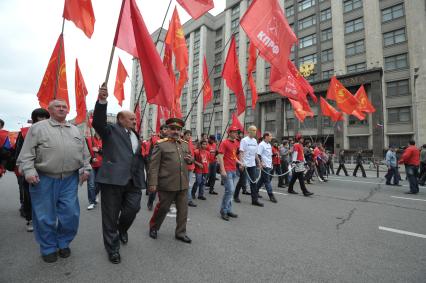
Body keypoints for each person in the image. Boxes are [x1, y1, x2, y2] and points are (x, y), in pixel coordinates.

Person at [17, 99, 91, 263]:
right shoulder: (37, 128)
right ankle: (48, 247)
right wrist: (29, 171)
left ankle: (63, 242)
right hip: (43, 179)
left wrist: (86, 169)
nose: (62, 109)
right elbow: (26, 155)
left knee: (71, 215)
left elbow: (85, 154)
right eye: (57, 106)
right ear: (49, 110)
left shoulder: (75, 130)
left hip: (70, 179)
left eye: (64, 106)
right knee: (45, 217)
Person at [93, 86, 146, 264]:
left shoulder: (135, 135)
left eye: (135, 118)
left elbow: (136, 157)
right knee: (110, 215)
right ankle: (113, 249)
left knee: (133, 209)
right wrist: (102, 101)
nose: (134, 120)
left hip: (133, 182)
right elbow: (98, 122)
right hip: (113, 180)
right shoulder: (110, 131)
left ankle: (122, 229)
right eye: (131, 118)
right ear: (120, 119)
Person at [148, 118, 194, 243]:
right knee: (163, 208)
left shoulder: (184, 144)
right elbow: (153, 166)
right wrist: (152, 183)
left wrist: (190, 160)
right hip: (167, 183)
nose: (176, 131)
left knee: (183, 210)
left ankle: (180, 233)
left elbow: (189, 160)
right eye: (173, 129)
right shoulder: (160, 144)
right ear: (167, 130)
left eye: (178, 129)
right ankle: (154, 227)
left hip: (182, 183)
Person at [14, 108, 50, 232]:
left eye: (46, 117)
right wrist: (23, 169)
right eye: (41, 118)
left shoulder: (51, 131)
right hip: (29, 169)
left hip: (46, 170)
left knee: (46, 197)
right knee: (29, 196)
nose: (44, 120)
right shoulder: (24, 132)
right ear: (34, 119)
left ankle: (43, 219)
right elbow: (19, 153)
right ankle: (30, 218)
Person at [217, 126, 243, 220]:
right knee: (230, 190)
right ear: (230, 133)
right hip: (227, 170)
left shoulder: (236, 143)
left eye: (237, 132)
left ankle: (228, 209)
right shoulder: (224, 143)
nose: (237, 133)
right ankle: (223, 210)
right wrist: (222, 169)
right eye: (235, 132)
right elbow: (220, 156)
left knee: (230, 191)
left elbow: (233, 156)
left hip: (233, 170)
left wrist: (240, 162)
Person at [234, 126, 263, 206]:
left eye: (255, 130)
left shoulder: (254, 141)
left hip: (252, 164)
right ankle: (236, 196)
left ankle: (254, 200)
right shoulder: (244, 140)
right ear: (249, 131)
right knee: (242, 181)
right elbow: (241, 152)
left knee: (253, 182)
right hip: (245, 164)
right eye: (253, 130)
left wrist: (259, 163)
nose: (255, 132)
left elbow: (256, 154)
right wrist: (241, 163)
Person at [146, 124, 168, 211]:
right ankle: (150, 203)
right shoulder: (155, 139)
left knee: (165, 188)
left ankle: (164, 205)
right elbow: (153, 149)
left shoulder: (169, 140)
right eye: (165, 129)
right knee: (154, 188)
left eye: (168, 129)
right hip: (155, 165)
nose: (167, 131)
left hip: (165, 166)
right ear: (161, 130)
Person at [257, 133, 278, 203]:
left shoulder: (269, 145)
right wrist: (261, 163)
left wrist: (271, 163)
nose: (271, 137)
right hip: (264, 165)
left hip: (269, 165)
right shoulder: (261, 144)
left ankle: (255, 191)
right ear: (266, 137)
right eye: (270, 136)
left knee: (262, 179)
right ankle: (271, 195)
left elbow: (269, 156)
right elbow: (258, 155)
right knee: (267, 180)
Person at [86, 132, 103, 210]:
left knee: (99, 183)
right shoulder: (89, 139)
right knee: (91, 184)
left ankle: (95, 194)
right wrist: (91, 159)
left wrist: (99, 150)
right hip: (91, 165)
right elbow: (85, 152)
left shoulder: (105, 139)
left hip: (102, 165)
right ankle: (92, 202)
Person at [183, 130, 197, 207]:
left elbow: (193, 154)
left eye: (190, 135)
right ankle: (188, 199)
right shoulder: (181, 143)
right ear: (184, 135)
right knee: (185, 184)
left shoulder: (191, 143)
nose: (189, 136)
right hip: (184, 167)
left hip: (191, 167)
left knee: (189, 184)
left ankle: (188, 199)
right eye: (187, 135)